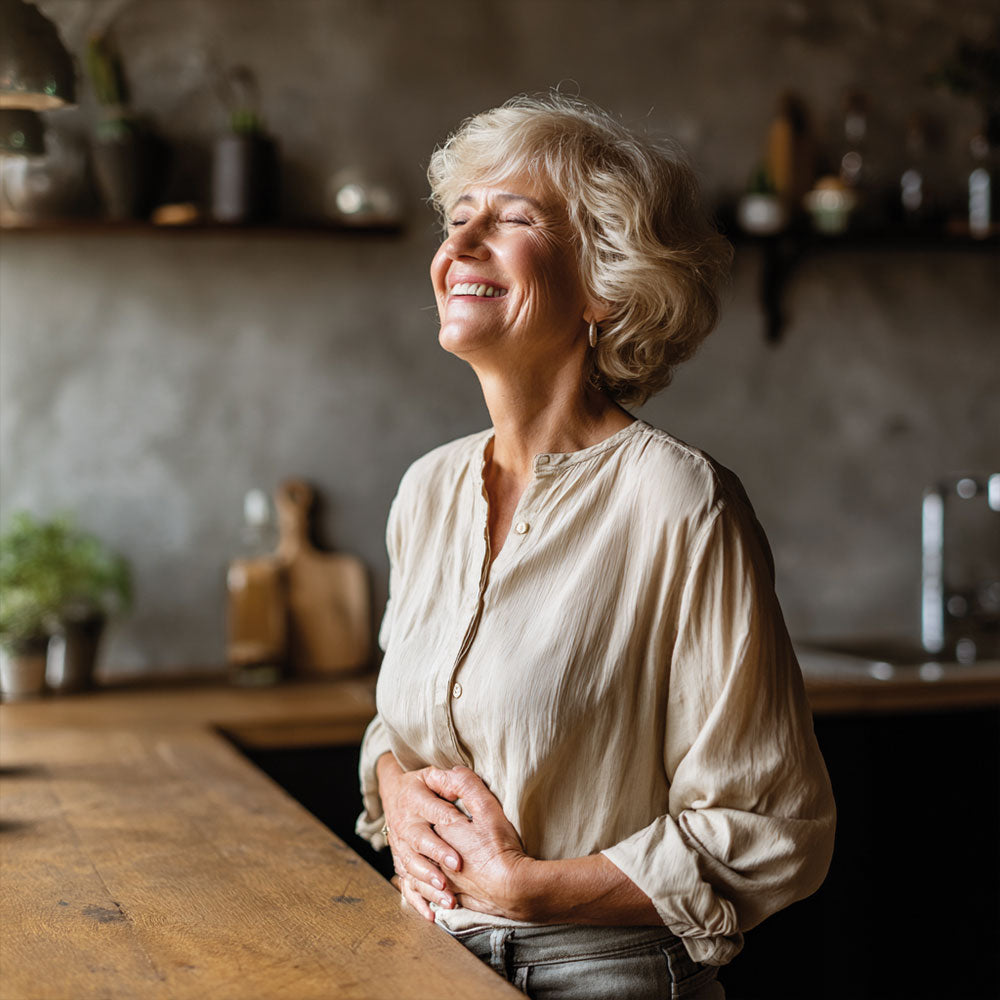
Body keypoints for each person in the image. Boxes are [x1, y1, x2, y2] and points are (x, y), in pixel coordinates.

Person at [356, 93, 835, 1000]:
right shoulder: (426, 490)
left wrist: (529, 891)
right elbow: (405, 728)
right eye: (457, 220)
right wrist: (395, 785)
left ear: (604, 285)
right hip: (425, 960)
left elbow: (772, 825)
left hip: (604, 976)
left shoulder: (681, 501)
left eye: (512, 220)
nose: (460, 246)